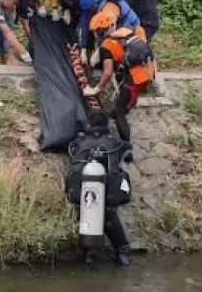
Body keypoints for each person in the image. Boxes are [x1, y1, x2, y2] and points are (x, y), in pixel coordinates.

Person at [67, 110, 132, 267]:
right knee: (110, 220)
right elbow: (128, 148)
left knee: (86, 220)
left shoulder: (79, 142)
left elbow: (72, 155)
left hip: (82, 194)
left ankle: (90, 256)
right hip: (109, 195)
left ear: (89, 124)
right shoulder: (114, 143)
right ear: (106, 124)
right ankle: (123, 254)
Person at [83, 18, 156, 145]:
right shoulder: (126, 31)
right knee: (125, 102)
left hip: (134, 80)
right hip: (148, 70)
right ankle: (121, 110)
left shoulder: (107, 44)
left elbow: (108, 72)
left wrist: (96, 89)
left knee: (119, 111)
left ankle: (126, 146)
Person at [78, 0, 143, 65]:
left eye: (90, 8)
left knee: (130, 61)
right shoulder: (101, 6)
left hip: (134, 33)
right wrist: (83, 49)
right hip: (122, 31)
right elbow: (87, 24)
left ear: (96, 3)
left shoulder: (110, 8)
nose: (90, 11)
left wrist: (97, 51)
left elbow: (109, 31)